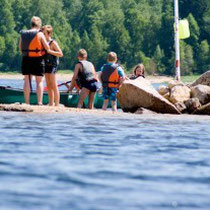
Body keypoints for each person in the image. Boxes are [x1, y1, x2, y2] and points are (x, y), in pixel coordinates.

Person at [19, 16, 54, 105]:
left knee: (27, 80)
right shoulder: (40, 34)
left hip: (26, 58)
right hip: (37, 59)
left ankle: (27, 102)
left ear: (31, 24)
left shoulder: (24, 33)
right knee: (39, 81)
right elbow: (47, 47)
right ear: (39, 25)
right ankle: (39, 102)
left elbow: (20, 47)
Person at [42, 25, 63, 106]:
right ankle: (51, 103)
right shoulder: (43, 43)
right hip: (46, 64)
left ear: (49, 34)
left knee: (54, 84)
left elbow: (60, 54)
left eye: (44, 34)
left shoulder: (53, 42)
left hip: (53, 65)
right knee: (48, 85)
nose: (43, 35)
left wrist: (49, 51)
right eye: (42, 33)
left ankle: (57, 103)